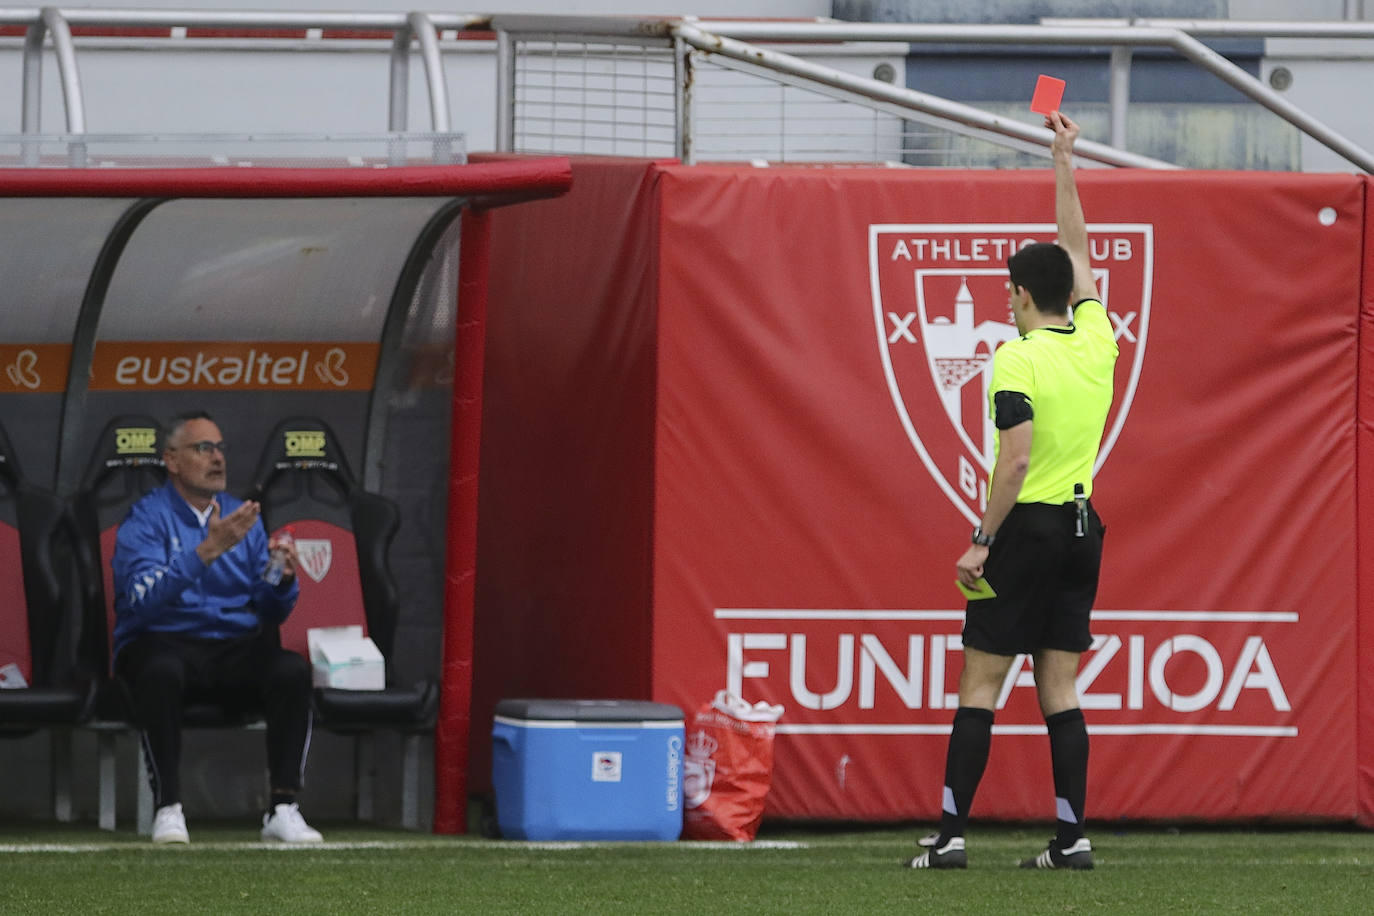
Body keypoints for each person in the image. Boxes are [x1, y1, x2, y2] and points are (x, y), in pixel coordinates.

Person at [907, 111, 1117, 871]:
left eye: (1008, 289)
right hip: (1084, 530)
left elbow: (1016, 460)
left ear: (1025, 294)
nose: (1002, 300)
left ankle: (952, 836)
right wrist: (1064, 162)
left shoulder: (1017, 357)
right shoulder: (1098, 339)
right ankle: (1072, 839)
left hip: (1025, 531)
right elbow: (1080, 251)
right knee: (1059, 684)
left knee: (982, 680)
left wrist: (981, 539)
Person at [112, 410, 324, 844]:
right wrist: (207, 550)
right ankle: (168, 807)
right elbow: (142, 602)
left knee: (290, 671)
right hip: (162, 643)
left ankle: (282, 808)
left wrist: (281, 578)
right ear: (171, 460)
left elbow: (268, 608)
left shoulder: (240, 515)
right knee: (158, 672)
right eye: (202, 448)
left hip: (230, 648)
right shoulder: (146, 519)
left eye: (220, 448)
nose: (217, 458)